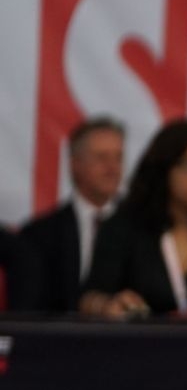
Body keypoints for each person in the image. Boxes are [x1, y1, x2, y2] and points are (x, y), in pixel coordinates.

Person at [79, 119, 187, 319]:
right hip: (142, 346)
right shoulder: (125, 226)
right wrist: (109, 305)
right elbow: (88, 298)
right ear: (163, 170)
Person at [19, 115, 124, 312]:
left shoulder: (143, 227)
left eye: (118, 157)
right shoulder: (39, 234)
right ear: (75, 163)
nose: (113, 168)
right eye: (102, 157)